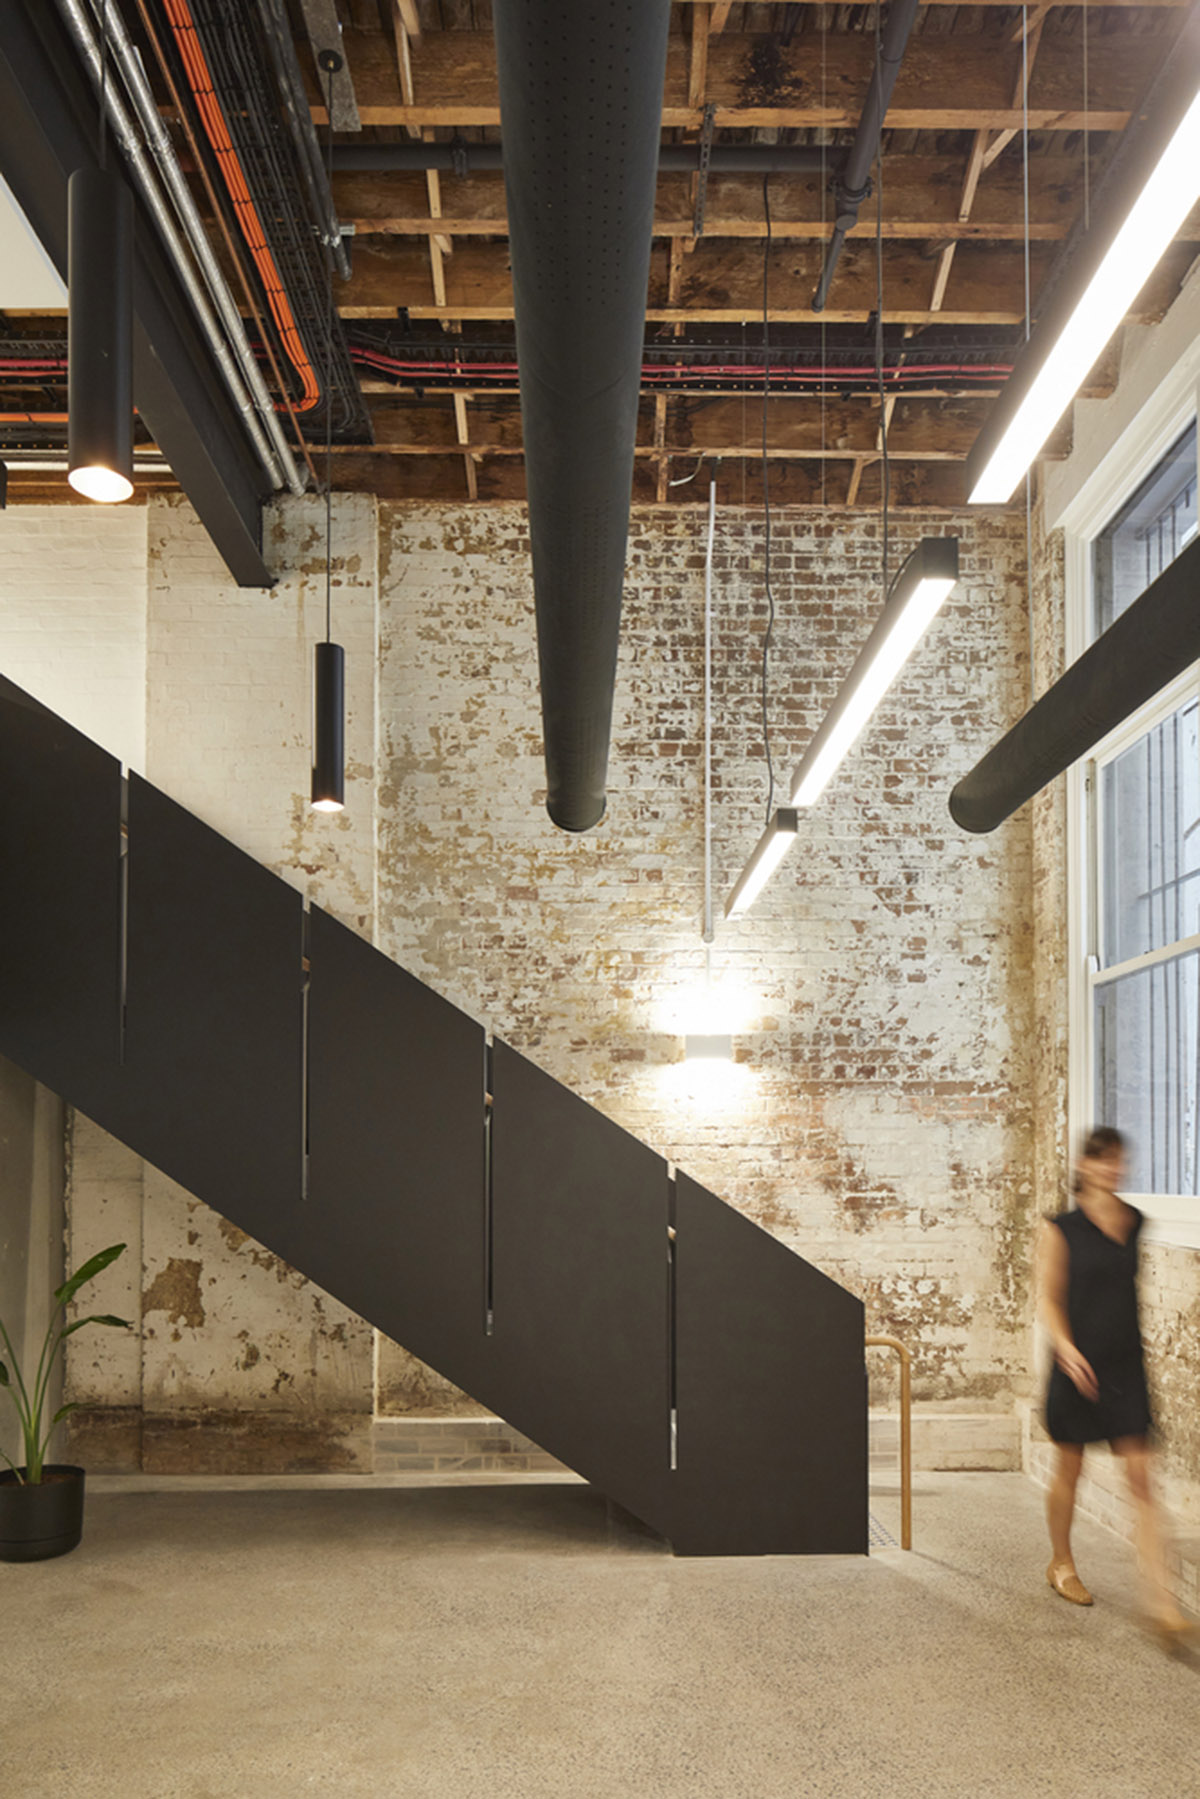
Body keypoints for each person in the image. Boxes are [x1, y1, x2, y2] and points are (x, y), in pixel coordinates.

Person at [1037, 1125, 1191, 1648]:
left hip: (1125, 1367)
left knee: (1142, 1480)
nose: (1112, 1169)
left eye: (1118, 1160)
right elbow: (1049, 1298)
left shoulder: (1136, 1221)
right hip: (1077, 1366)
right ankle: (1061, 1562)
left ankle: (1162, 1603)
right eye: (1103, 1160)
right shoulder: (1061, 1229)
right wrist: (1066, 1349)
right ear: (1084, 1165)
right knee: (1070, 1469)